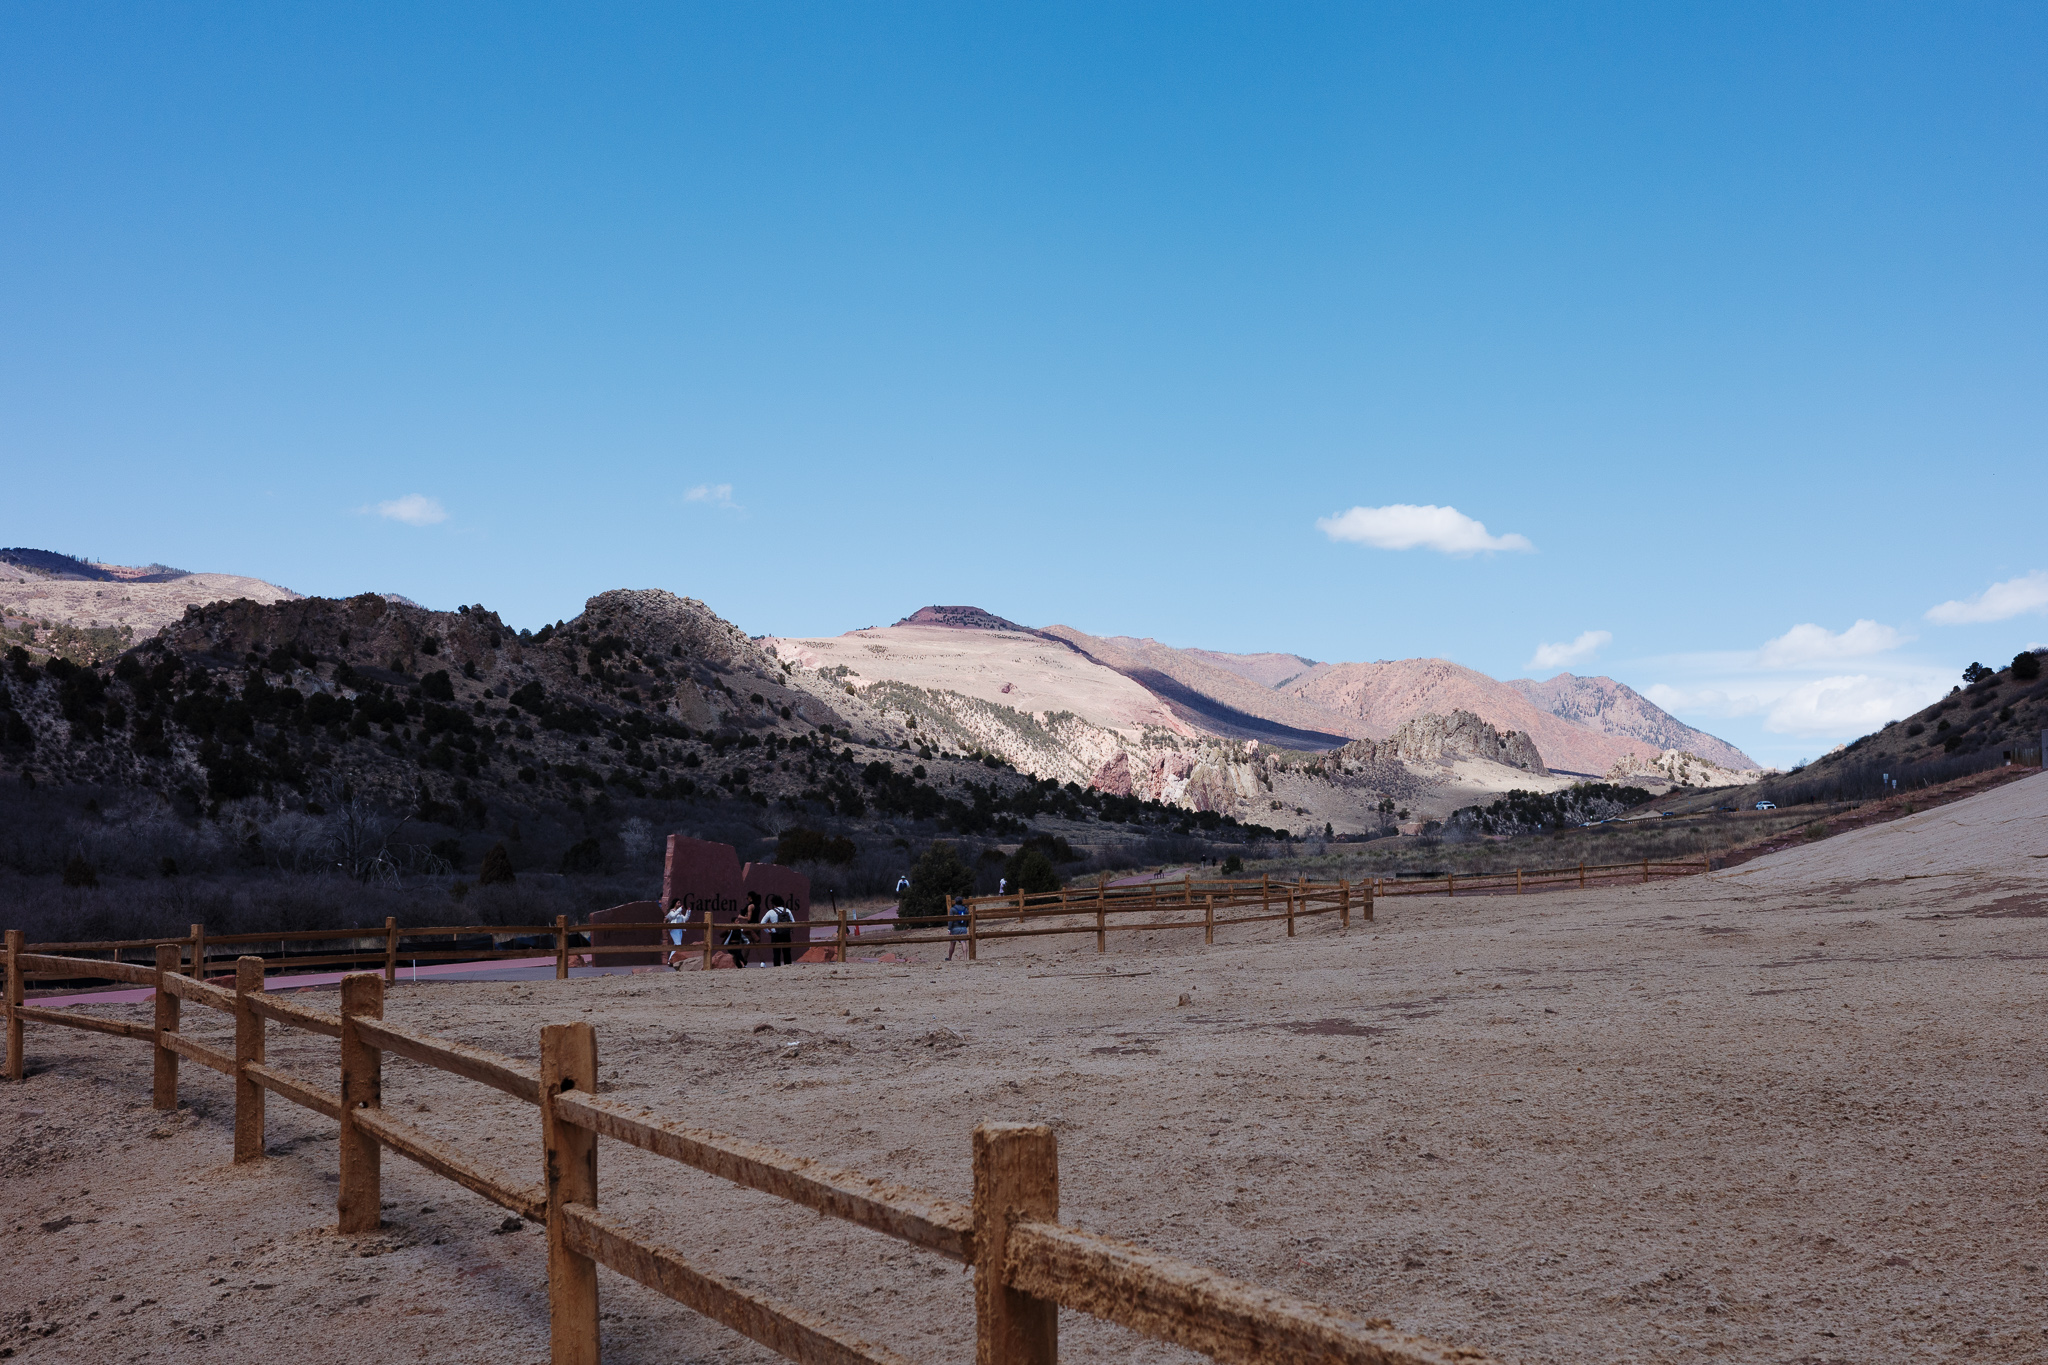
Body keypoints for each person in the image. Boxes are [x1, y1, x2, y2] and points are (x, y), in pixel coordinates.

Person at [726, 894, 760, 968]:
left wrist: (741, 916)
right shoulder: (731, 929)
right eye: (737, 921)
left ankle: (743, 964)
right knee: (741, 952)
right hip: (732, 945)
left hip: (738, 945)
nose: (738, 922)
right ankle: (745, 963)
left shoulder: (750, 906)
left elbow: (743, 935)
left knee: (742, 951)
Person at [763, 895, 795, 967]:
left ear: (773, 903)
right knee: (787, 952)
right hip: (786, 934)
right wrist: (789, 929)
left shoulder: (770, 912)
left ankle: (777, 967)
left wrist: (768, 931)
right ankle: (788, 967)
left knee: (776, 953)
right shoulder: (787, 910)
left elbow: (762, 923)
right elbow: (793, 922)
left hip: (775, 934)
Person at [663, 898, 693, 969]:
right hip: (674, 929)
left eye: (680, 903)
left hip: (679, 929)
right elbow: (673, 916)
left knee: (676, 945)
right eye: (678, 903)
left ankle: (670, 960)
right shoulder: (672, 911)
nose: (679, 904)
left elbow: (685, 919)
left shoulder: (679, 913)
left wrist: (688, 912)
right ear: (675, 904)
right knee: (678, 944)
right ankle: (671, 960)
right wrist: (679, 910)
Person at [945, 894, 970, 960]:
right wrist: (966, 926)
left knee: (952, 943)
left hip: (955, 928)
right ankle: (965, 958)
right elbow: (968, 919)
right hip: (963, 928)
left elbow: (950, 920)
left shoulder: (953, 909)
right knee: (963, 942)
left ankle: (949, 957)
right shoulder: (965, 909)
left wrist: (949, 929)